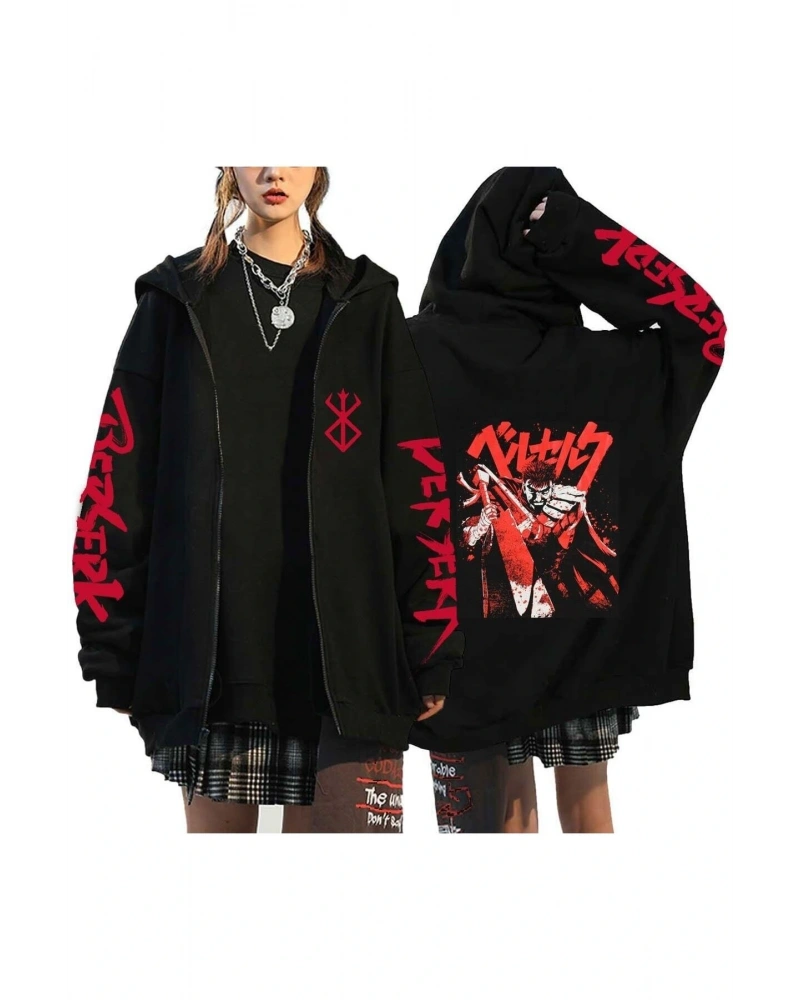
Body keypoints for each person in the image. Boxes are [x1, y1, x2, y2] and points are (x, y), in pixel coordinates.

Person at [72, 166, 463, 833]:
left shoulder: (368, 304)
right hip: (213, 672)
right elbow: (118, 482)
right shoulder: (176, 302)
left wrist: (432, 643)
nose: (274, 170)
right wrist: (113, 649)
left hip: (350, 669)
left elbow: (417, 485)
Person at [404, 166, 725, 832]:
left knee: (495, 828)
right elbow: (703, 323)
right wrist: (578, 236)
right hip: (584, 650)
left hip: (466, 656)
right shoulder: (619, 368)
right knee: (587, 811)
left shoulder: (414, 352)